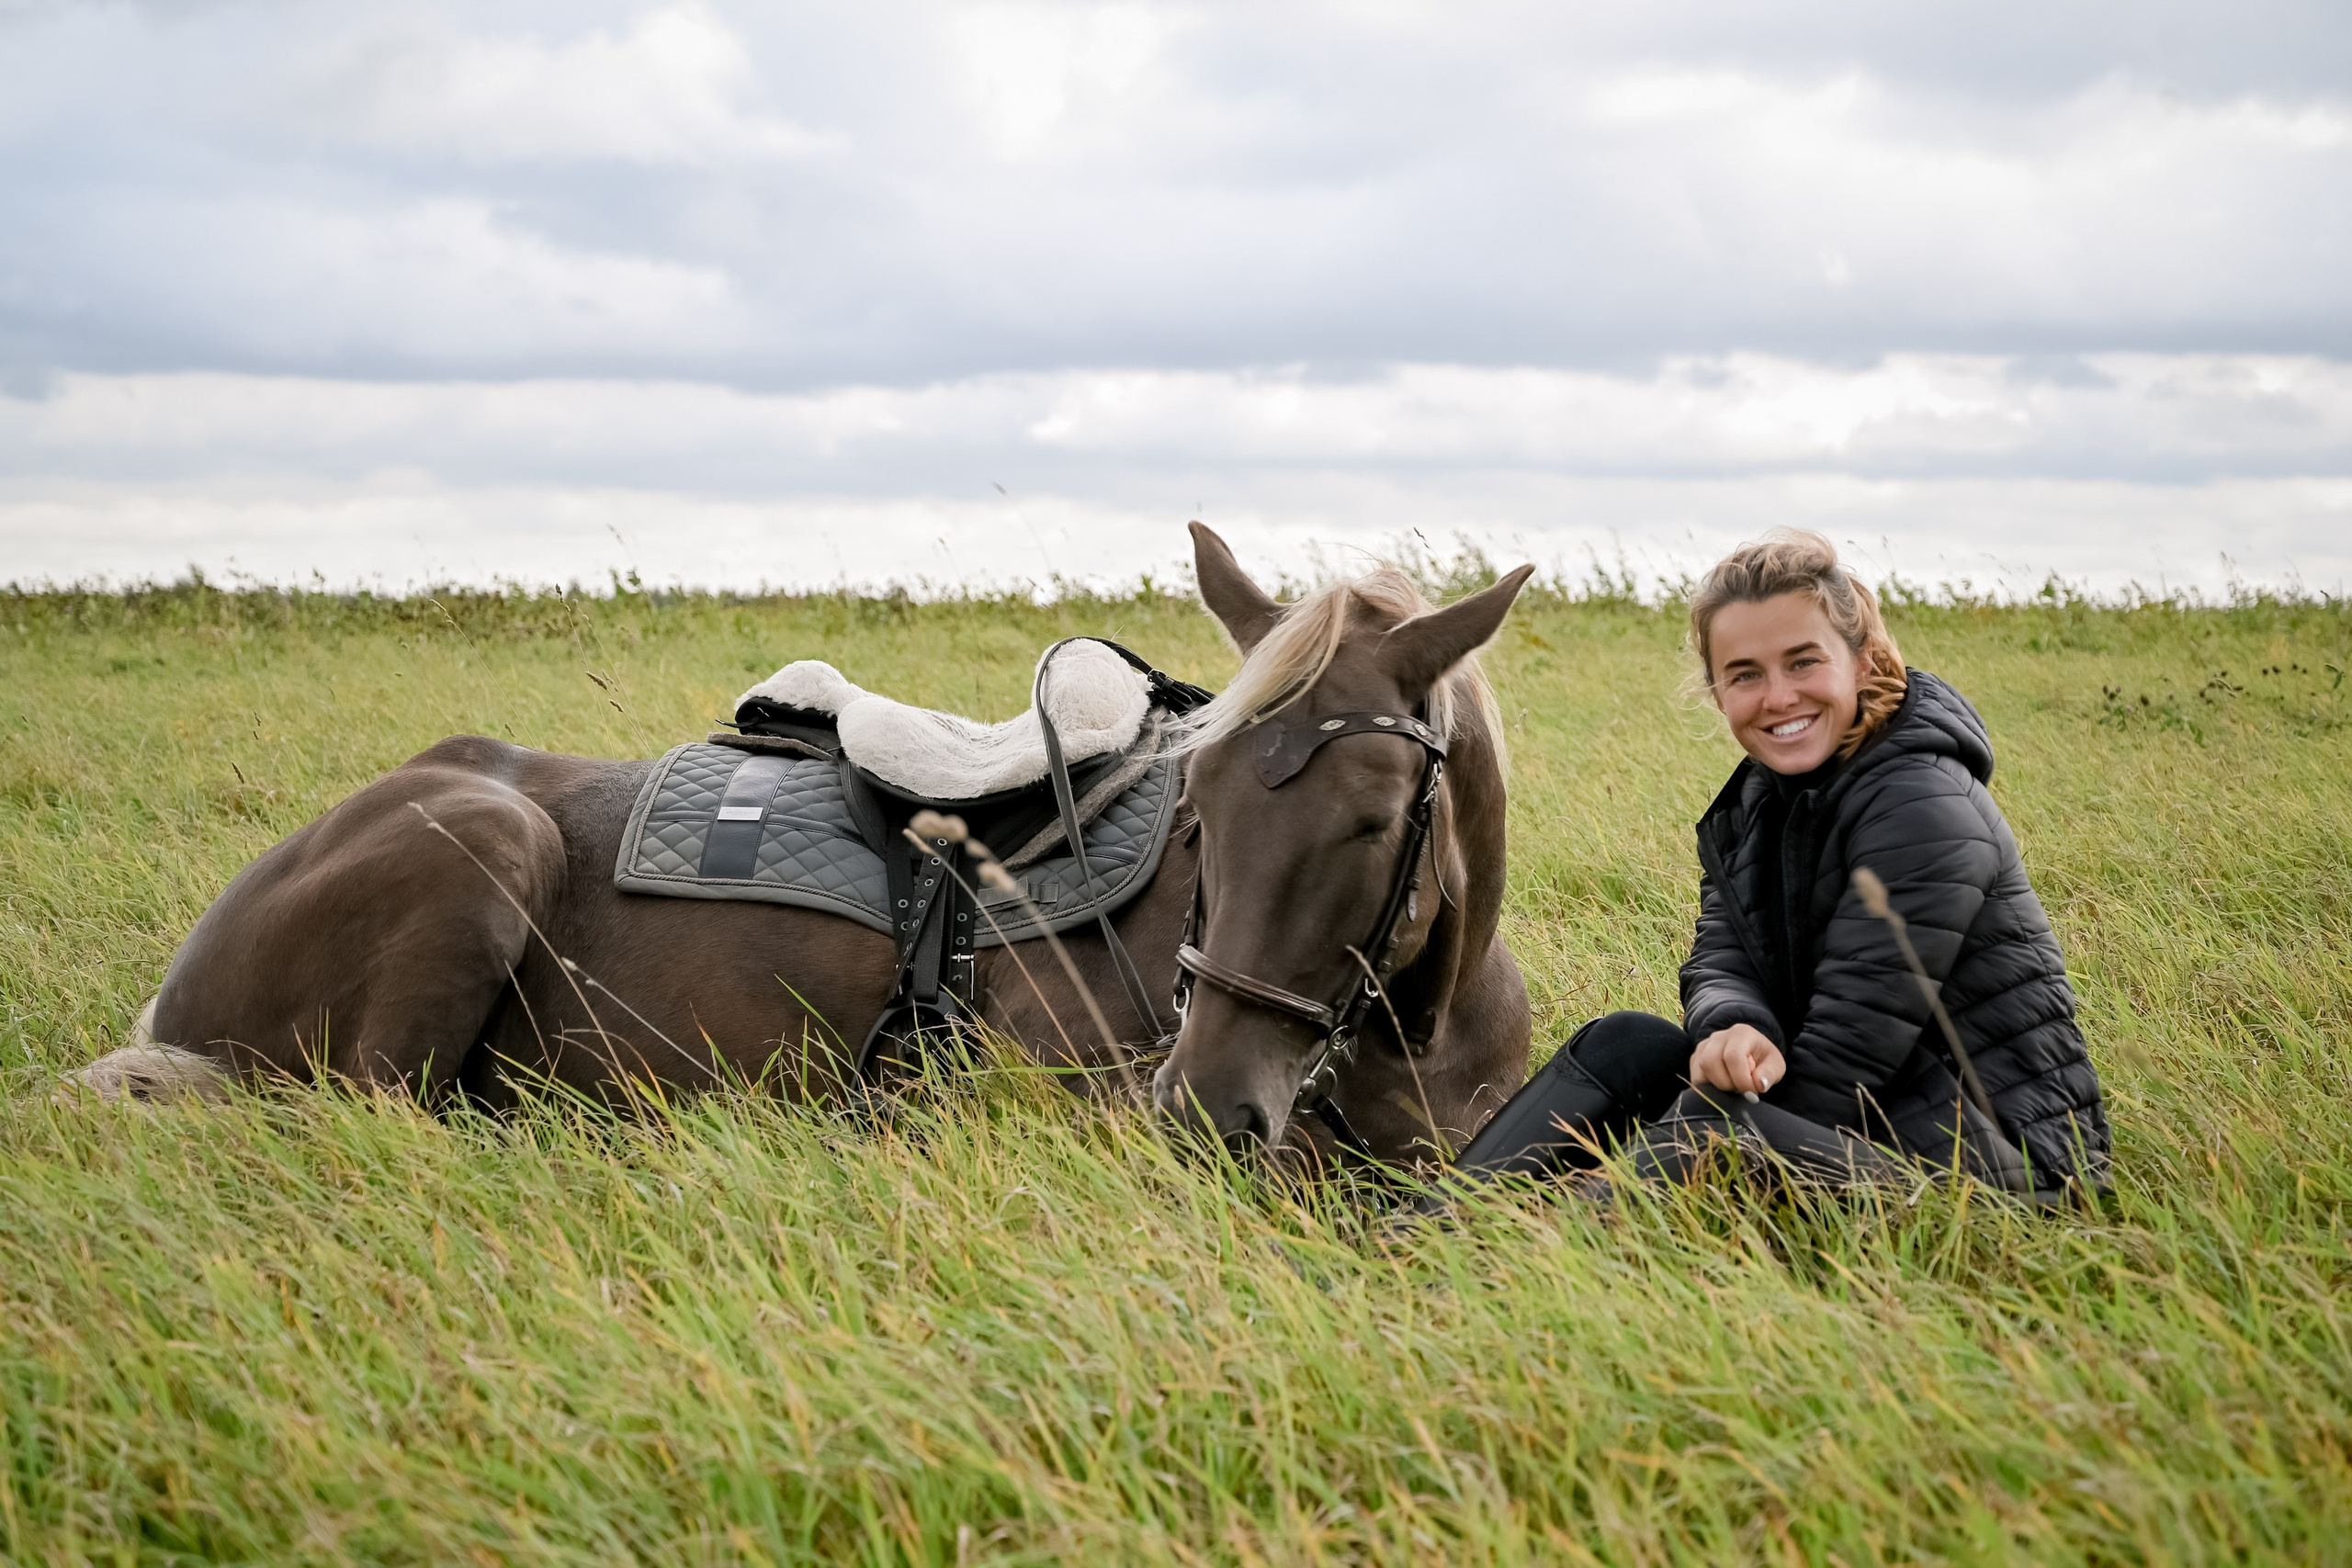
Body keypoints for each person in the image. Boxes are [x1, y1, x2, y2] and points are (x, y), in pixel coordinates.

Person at [1447, 530, 2110, 1203]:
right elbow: (1722, 959)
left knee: (1720, 1130)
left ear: (1862, 660)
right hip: (1856, 1130)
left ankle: (1509, 1246)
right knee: (1623, 1043)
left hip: (2001, 1174)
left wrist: (1630, 1169)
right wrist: (1736, 1026)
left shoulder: (1922, 805)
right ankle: (1429, 1229)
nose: (1778, 697)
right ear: (1717, 691)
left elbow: (1843, 1068)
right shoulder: (1759, 804)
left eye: (1803, 662)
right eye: (1745, 675)